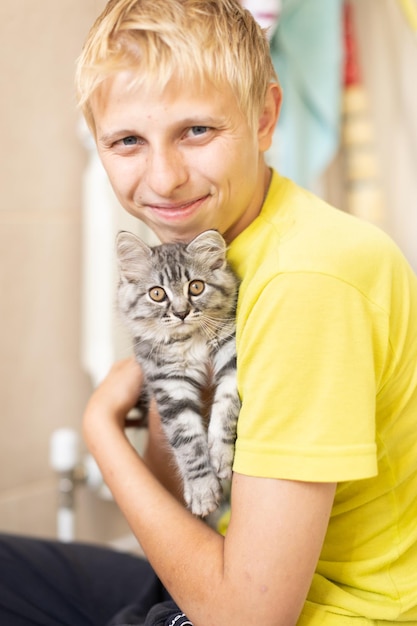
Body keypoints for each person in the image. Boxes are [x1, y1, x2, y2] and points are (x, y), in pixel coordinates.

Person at [1, 0, 417, 624]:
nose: (164, 180)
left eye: (196, 131)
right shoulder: (210, 246)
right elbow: (181, 504)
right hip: (232, 568)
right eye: (128, 141)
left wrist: (102, 433)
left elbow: (246, 618)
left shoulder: (307, 281)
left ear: (265, 118)